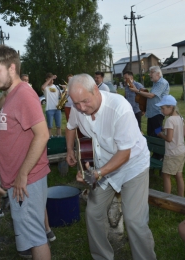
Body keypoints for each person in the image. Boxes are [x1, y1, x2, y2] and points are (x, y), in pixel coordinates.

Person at [65, 73, 156, 260]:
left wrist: (97, 173)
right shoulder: (78, 107)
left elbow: (124, 154)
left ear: (96, 90)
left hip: (133, 166)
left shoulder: (119, 108)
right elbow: (70, 125)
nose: (81, 108)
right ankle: (102, 256)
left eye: (84, 101)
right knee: (93, 212)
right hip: (105, 166)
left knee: (134, 220)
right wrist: (69, 150)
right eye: (76, 104)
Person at [0, 45, 51, 260]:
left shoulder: (23, 94)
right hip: (16, 179)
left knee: (36, 237)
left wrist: (22, 173)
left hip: (26, 180)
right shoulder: (10, 95)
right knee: (31, 234)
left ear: (11, 68)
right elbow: (11, 130)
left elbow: (42, 135)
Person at [155, 95, 185, 197]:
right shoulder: (180, 118)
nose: (162, 110)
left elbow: (169, 139)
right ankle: (180, 198)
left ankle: (167, 199)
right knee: (179, 175)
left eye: (163, 108)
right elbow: (184, 134)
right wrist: (167, 129)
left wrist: (160, 134)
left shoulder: (170, 120)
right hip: (181, 151)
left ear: (171, 107)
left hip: (172, 153)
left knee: (166, 175)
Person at [129, 66, 169, 137]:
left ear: (158, 73)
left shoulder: (162, 83)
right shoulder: (156, 83)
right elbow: (150, 97)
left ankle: (159, 148)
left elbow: (151, 96)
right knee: (151, 134)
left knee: (157, 134)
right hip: (152, 113)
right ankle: (153, 147)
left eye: (151, 72)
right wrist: (144, 109)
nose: (149, 75)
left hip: (157, 113)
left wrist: (137, 91)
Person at [41, 72, 62, 137]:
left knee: (59, 126)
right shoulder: (46, 87)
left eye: (52, 79)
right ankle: (50, 138)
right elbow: (42, 87)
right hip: (49, 109)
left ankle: (59, 137)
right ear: (46, 79)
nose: (52, 81)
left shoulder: (56, 87)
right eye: (50, 79)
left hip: (57, 108)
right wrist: (50, 78)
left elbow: (60, 96)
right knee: (50, 126)